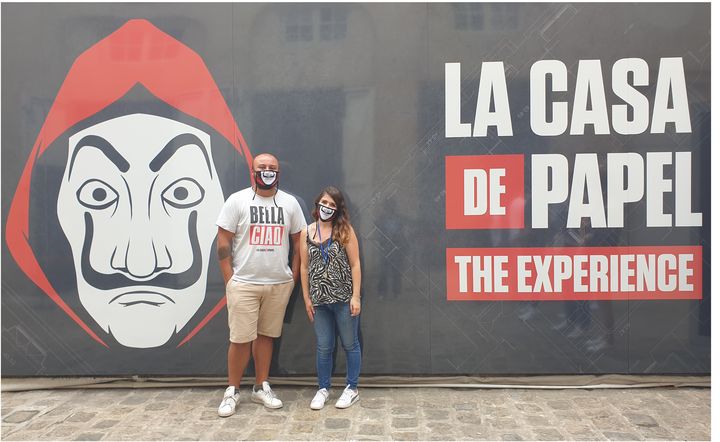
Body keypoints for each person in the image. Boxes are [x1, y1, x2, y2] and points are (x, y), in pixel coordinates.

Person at [215, 153, 306, 417]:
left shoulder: (289, 203)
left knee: (267, 336)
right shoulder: (237, 200)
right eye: (262, 167)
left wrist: (293, 278)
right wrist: (229, 281)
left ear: (279, 172)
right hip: (244, 283)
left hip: (279, 284)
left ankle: (260, 386)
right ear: (252, 171)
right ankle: (232, 390)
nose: (267, 171)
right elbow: (223, 243)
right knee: (241, 338)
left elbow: (300, 243)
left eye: (272, 168)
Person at [299, 186, 362, 410]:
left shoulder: (344, 230)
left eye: (332, 205)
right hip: (319, 302)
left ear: (338, 209)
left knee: (350, 344)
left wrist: (356, 297)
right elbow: (304, 268)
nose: (327, 207)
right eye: (324, 203)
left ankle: (351, 388)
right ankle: (323, 388)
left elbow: (355, 265)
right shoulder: (306, 232)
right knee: (324, 347)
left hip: (344, 300)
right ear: (317, 204)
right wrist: (307, 298)